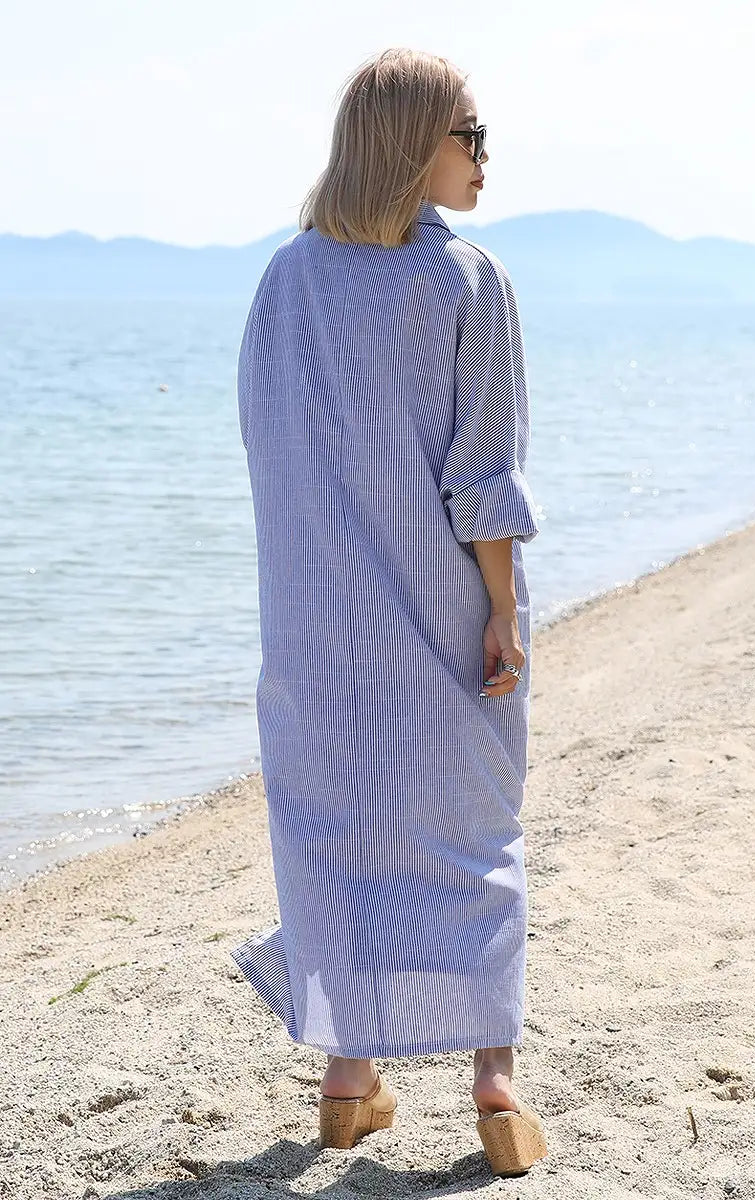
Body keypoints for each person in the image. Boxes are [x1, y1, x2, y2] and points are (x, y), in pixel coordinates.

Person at [230, 46, 546, 1177]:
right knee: (472, 838)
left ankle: (348, 1080)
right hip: (441, 611)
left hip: (314, 629)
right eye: (471, 135)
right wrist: (502, 610)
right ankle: (494, 1086)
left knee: (337, 838)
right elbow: (483, 473)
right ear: (414, 143)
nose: (486, 157)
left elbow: (270, 447)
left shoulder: (285, 279)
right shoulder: (466, 279)